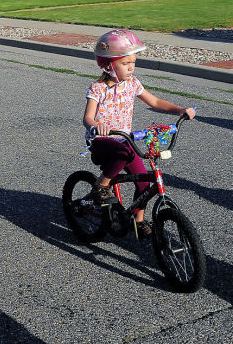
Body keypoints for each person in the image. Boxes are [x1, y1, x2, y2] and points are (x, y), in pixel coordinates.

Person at [83, 29, 196, 237]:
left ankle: (138, 220)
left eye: (133, 62)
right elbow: (87, 118)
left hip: (124, 141)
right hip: (101, 142)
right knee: (123, 153)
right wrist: (96, 126)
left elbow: (154, 101)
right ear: (109, 65)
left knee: (144, 182)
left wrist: (180, 110)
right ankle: (101, 186)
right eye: (126, 63)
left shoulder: (133, 84)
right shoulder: (98, 88)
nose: (131, 67)